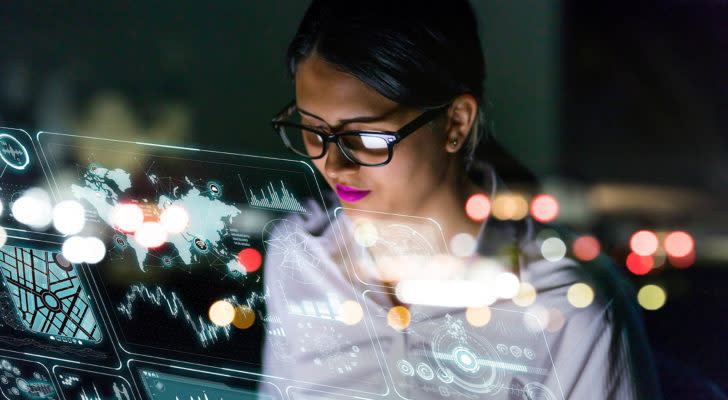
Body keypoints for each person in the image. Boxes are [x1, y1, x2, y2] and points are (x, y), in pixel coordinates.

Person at [260, 1, 662, 399]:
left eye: (366, 137)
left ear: (456, 122)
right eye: (312, 132)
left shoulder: (569, 308)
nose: (333, 165)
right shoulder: (298, 258)